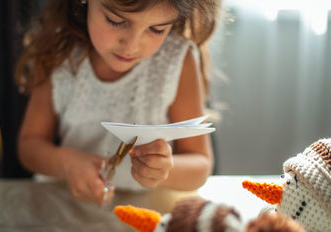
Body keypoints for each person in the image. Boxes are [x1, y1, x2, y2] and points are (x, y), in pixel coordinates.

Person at [15, 0, 220, 207]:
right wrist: (66, 163)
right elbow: (29, 147)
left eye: (157, 29)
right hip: (64, 205)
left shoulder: (178, 61)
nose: (132, 45)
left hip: (147, 212)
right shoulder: (57, 54)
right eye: (115, 21)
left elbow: (201, 165)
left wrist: (164, 170)